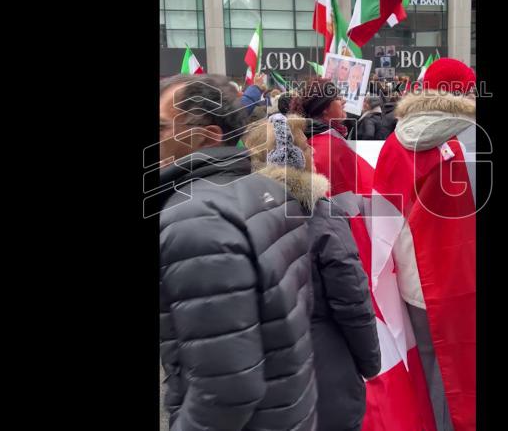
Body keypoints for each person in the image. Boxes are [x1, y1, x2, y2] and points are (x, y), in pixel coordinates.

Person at [156, 74, 318, 431]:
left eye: (162, 128)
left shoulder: (194, 220)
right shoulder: (267, 189)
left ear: (209, 137)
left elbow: (227, 391)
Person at [293, 77, 434, 430]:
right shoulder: (332, 147)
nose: (344, 102)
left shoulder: (309, 142)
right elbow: (378, 191)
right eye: (339, 99)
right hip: (355, 247)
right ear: (327, 109)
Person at [243, 116, 381, 431]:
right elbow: (352, 301)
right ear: (292, 157)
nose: (313, 153)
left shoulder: (235, 214)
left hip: (261, 373)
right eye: (306, 146)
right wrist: (370, 362)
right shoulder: (323, 216)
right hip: (323, 370)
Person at [371, 58, 479, 431]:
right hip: (448, 281)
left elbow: (383, 221)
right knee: (454, 371)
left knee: (437, 369)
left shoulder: (398, 142)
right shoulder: (452, 138)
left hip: (424, 281)